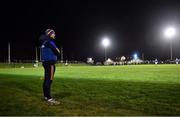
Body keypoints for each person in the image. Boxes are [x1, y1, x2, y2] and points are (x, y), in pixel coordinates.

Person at [40, 29, 60, 105]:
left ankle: (46, 96)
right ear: (50, 34)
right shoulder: (50, 41)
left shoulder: (44, 42)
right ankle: (49, 99)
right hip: (50, 63)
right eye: (53, 33)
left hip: (45, 63)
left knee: (46, 80)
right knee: (49, 80)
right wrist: (57, 51)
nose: (54, 35)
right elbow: (58, 51)